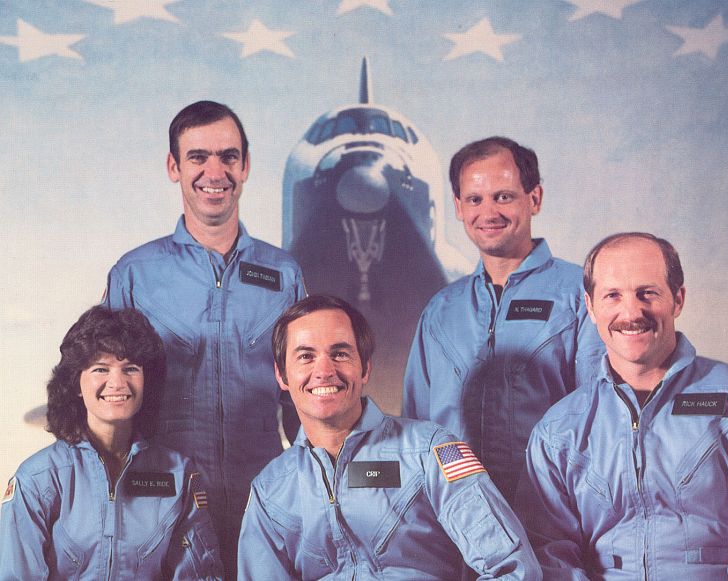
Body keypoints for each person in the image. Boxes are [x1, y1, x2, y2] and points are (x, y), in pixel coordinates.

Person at [519, 232, 728, 578]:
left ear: (677, 300)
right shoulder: (558, 431)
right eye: (612, 296)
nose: (631, 312)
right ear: (591, 307)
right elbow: (549, 556)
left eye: (647, 293)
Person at [104, 100, 306, 575]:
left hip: (265, 494)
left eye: (228, 157)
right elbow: (108, 398)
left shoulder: (284, 274)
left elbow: (302, 397)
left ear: (246, 165)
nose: (214, 171)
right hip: (161, 497)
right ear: (174, 167)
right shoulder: (135, 274)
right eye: (197, 157)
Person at [238, 295, 541, 580]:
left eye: (340, 353)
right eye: (306, 356)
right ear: (282, 376)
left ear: (365, 368)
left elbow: (514, 568)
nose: (324, 371)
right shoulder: (270, 490)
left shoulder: (431, 452)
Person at [404, 136, 604, 501]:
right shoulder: (440, 311)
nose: (488, 213)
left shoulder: (582, 295)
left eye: (504, 196)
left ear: (535, 199)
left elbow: (602, 420)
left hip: (554, 512)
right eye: (474, 199)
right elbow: (416, 428)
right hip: (457, 519)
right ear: (458, 208)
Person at [0, 306, 222, 579]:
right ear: (76, 384)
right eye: (100, 369)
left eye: (130, 368)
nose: (117, 382)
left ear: (147, 381)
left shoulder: (179, 476)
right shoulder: (38, 480)